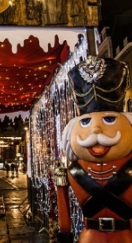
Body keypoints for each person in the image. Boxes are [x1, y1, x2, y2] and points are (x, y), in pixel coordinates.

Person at [55, 56, 132, 243]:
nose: (96, 131)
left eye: (109, 119)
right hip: (89, 236)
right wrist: (64, 236)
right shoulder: (72, 171)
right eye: (86, 122)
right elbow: (63, 210)